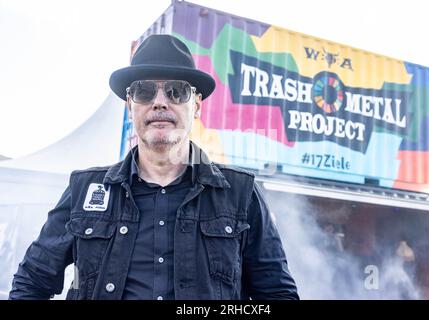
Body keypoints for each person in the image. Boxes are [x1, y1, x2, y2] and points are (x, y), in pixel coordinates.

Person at [9, 34, 298, 300]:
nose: (160, 102)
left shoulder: (241, 194)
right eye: (145, 91)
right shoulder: (85, 190)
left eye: (176, 91)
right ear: (129, 105)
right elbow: (31, 283)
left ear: (196, 105)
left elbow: (276, 295)